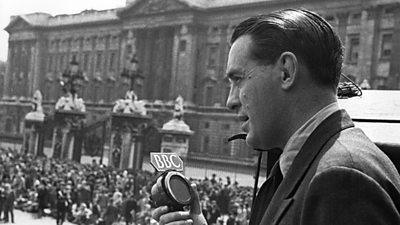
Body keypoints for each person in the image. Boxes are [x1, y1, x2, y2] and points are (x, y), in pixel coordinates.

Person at [152, 8, 400, 225]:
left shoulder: (341, 181)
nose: (230, 101)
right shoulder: (311, 165)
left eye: (238, 79)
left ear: (286, 72)